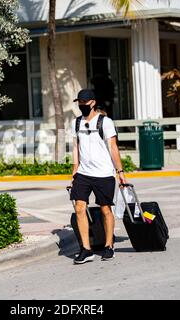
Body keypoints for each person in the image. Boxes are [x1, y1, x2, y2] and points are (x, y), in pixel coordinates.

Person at [70, 89, 127, 264]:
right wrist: (74, 170)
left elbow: (113, 147)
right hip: (83, 173)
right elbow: (75, 147)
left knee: (105, 209)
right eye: (79, 103)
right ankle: (86, 249)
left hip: (103, 173)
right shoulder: (76, 122)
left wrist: (120, 172)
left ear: (93, 103)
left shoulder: (106, 122)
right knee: (79, 207)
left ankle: (109, 246)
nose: (81, 106)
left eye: (84, 104)